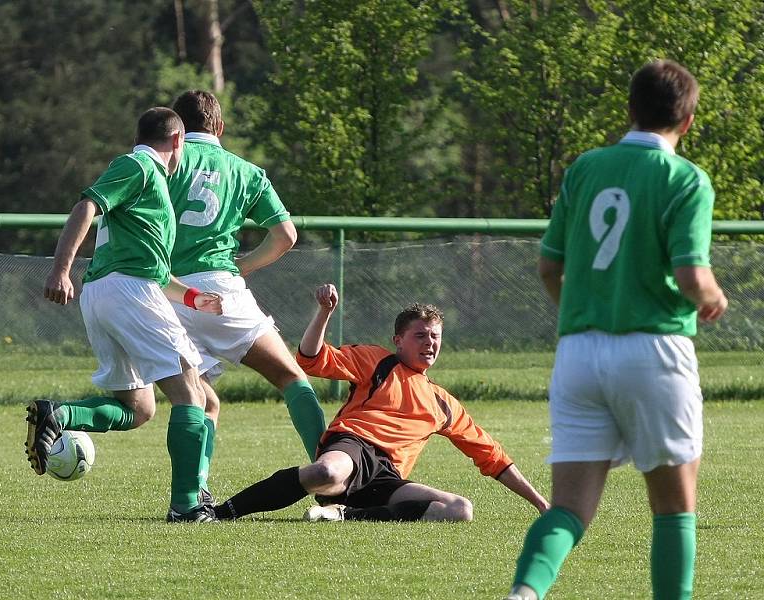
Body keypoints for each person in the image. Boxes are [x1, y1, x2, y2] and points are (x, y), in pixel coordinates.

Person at [503, 60, 728, 600]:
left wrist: (582, 317)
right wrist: (713, 297)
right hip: (653, 349)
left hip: (579, 353)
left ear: (629, 110)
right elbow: (691, 275)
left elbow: (548, 267)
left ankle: (524, 595)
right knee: (674, 508)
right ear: (689, 120)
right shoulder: (685, 179)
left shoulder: (585, 169)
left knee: (569, 510)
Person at [211, 283, 549, 523]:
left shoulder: (444, 404)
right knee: (326, 471)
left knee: (459, 509)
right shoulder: (378, 361)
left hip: (386, 475)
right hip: (353, 447)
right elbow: (311, 358)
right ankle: (221, 512)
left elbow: (493, 457)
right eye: (420, 335)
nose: (429, 343)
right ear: (398, 341)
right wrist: (324, 312)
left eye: (435, 337)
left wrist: (540, 504)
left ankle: (345, 514)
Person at [31, 107, 224, 523]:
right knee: (194, 394)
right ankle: (188, 505)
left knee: (139, 409)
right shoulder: (138, 166)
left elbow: (156, 271)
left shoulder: (148, 185)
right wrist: (60, 269)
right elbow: (86, 207)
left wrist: (194, 298)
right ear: (177, 141)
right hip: (126, 292)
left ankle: (60, 415)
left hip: (111, 294)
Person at [166, 90, 326, 500]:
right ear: (220, 127)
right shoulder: (246, 171)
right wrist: (246, 265)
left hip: (167, 292)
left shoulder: (162, 163)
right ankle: (334, 479)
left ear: (178, 130)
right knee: (291, 378)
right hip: (221, 291)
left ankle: (194, 492)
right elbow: (285, 236)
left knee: (200, 401)